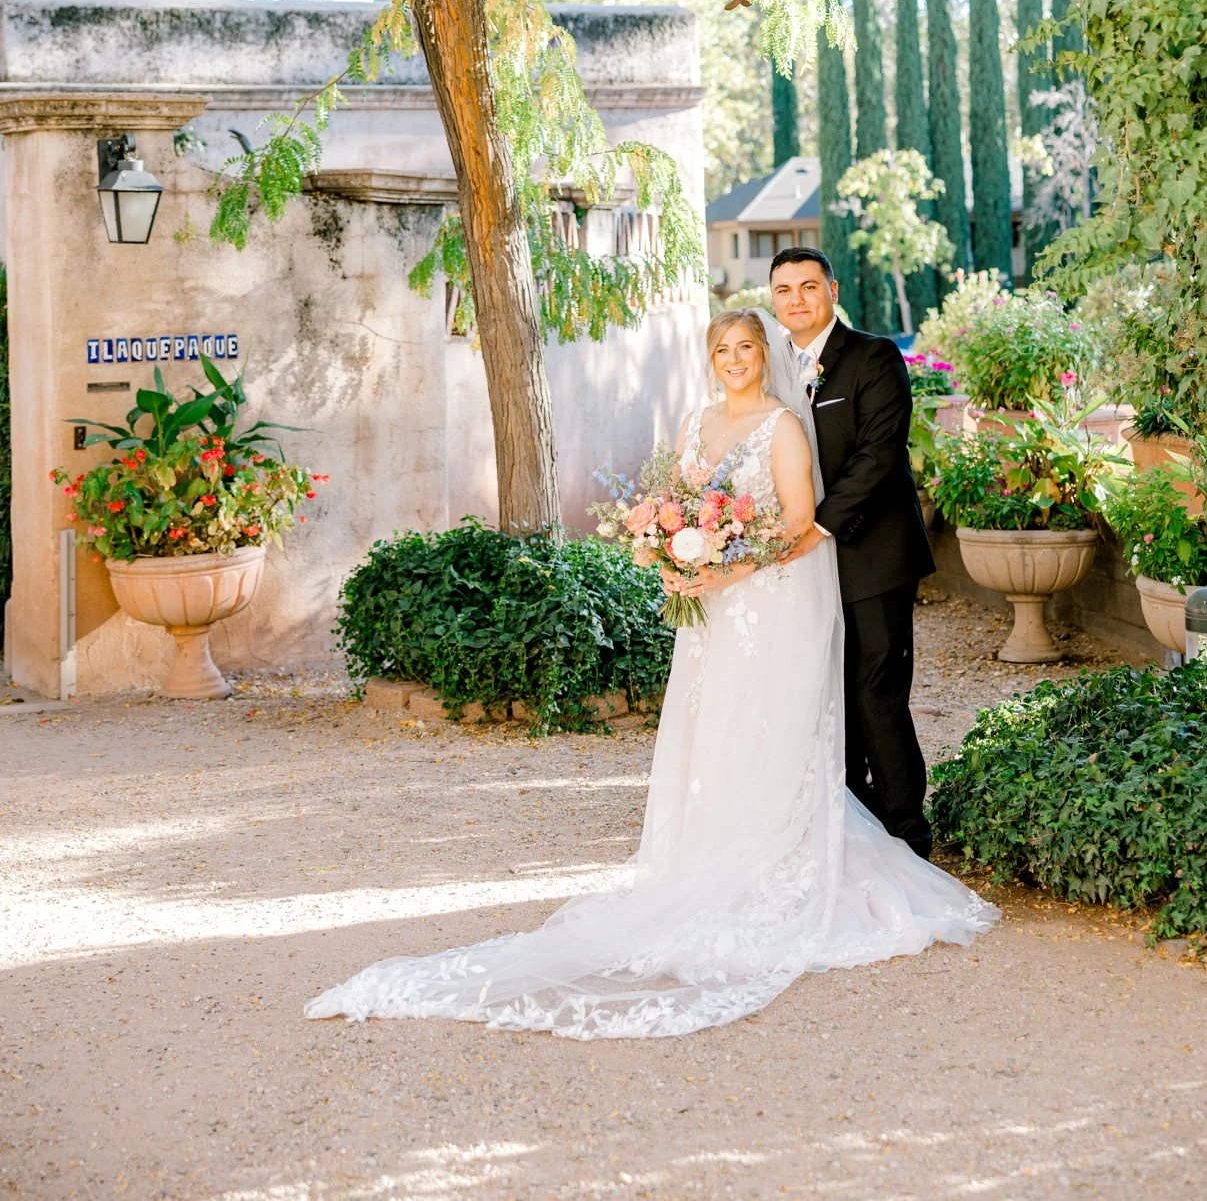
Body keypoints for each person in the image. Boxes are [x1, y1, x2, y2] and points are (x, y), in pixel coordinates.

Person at [305, 310, 995, 1039]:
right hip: (709, 607)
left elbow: (796, 523)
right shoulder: (697, 424)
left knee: (767, 724)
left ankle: (779, 861)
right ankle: (707, 856)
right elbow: (680, 503)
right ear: (712, 359)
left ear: (764, 355)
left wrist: (726, 570)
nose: (733, 359)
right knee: (711, 729)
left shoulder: (783, 427)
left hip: (767, 603)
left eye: (744, 348)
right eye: (721, 349)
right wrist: (667, 551)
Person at [768, 246, 936, 859]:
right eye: (784, 289)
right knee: (825, 691)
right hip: (802, 563)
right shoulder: (772, 366)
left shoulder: (874, 357)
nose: (797, 299)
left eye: (808, 286)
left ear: (832, 291)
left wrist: (818, 527)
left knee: (876, 690)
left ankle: (907, 837)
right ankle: (851, 829)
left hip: (873, 553)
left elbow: (877, 456)